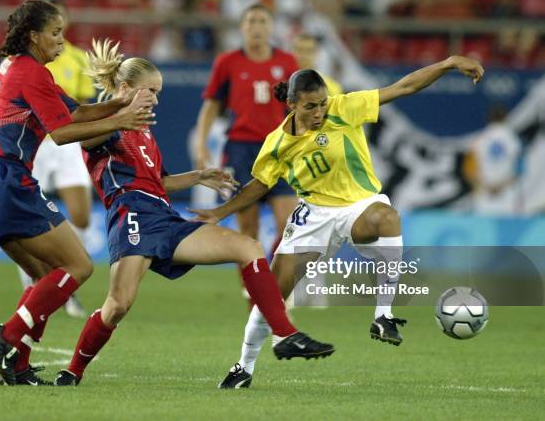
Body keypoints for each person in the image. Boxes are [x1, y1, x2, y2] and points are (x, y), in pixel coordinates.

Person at [54, 39, 335, 386]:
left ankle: (285, 334)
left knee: (248, 248)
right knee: (118, 304)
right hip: (132, 216)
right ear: (125, 89)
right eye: (150, 91)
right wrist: (120, 113)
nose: (156, 99)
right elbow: (74, 134)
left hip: (164, 216)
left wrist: (199, 176)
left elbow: (159, 182)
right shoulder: (107, 124)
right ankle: (72, 371)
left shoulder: (142, 131)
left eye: (158, 92)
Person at [192, 56, 485, 388]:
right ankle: (243, 367)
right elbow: (260, 185)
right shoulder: (276, 144)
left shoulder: (345, 108)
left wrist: (447, 64)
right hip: (313, 217)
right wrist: (220, 212)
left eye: (322, 104)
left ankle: (383, 316)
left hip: (359, 206)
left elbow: (404, 87)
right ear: (291, 104)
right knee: (272, 294)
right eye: (310, 107)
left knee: (387, 218)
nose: (319, 112)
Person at [0, 0, 154, 386]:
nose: (62, 42)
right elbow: (62, 133)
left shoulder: (21, 69)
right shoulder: (31, 73)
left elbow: (74, 113)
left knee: (44, 276)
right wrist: (123, 119)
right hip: (6, 178)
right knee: (79, 266)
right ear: (34, 35)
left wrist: (116, 103)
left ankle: (15, 366)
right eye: (55, 33)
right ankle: (8, 337)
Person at [193, 2, 299, 298]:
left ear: (271, 26)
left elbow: (299, 109)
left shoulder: (288, 62)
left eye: (262, 21)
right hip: (241, 149)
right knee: (248, 226)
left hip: (279, 150)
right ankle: (253, 289)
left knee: (289, 225)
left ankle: (276, 283)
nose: (256, 26)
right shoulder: (227, 62)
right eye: (251, 21)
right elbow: (211, 106)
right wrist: (201, 144)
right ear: (242, 27)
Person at [8, 0, 95, 318]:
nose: (57, 33)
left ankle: (62, 284)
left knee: (82, 214)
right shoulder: (22, 64)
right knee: (28, 221)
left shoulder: (77, 58)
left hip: (67, 140)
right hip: (37, 143)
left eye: (60, 23)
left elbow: (81, 108)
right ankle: (37, 288)